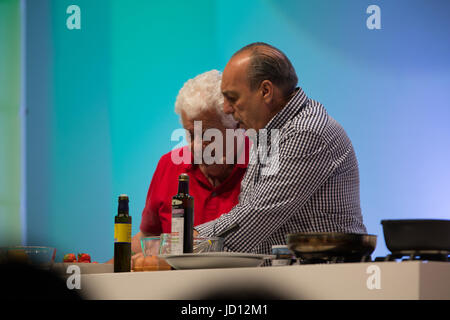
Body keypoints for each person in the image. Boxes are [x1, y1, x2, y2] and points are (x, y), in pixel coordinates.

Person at [194, 43, 367, 255]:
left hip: (326, 281)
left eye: (233, 98)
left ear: (265, 91)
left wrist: (183, 242)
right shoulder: (270, 131)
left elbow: (255, 219)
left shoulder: (306, 132)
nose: (227, 109)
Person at [106, 70, 249, 264]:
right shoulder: (169, 165)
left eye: (207, 135)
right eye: (191, 134)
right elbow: (149, 237)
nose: (196, 145)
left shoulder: (261, 162)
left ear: (236, 129)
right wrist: (103, 270)